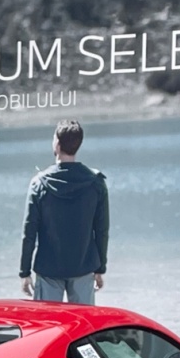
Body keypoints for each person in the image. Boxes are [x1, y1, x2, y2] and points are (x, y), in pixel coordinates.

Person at [18, 120, 109, 305]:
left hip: (48, 270)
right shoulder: (96, 183)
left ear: (57, 144)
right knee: (83, 327)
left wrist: (25, 272)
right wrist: (100, 268)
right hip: (84, 267)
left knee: (48, 326)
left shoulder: (39, 183)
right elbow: (102, 230)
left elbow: (29, 232)